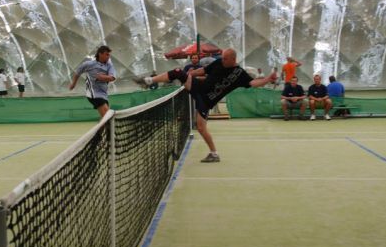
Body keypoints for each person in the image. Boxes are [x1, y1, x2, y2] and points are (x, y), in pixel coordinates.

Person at [138, 48, 277, 163]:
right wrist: (190, 73)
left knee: (201, 127)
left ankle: (214, 154)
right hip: (198, 87)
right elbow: (204, 71)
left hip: (207, 100)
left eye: (225, 59)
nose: (222, 60)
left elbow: (253, 83)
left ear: (233, 59)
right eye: (222, 58)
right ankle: (149, 81)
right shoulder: (218, 62)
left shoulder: (239, 73)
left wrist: (267, 79)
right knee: (178, 72)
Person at [69, 45, 116, 118]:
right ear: (100, 54)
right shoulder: (89, 64)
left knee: (106, 117)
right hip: (93, 94)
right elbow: (78, 72)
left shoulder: (109, 65)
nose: (108, 56)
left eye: (109, 55)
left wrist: (102, 77)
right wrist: (73, 84)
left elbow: (112, 78)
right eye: (106, 54)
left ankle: (102, 125)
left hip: (104, 94)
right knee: (108, 116)